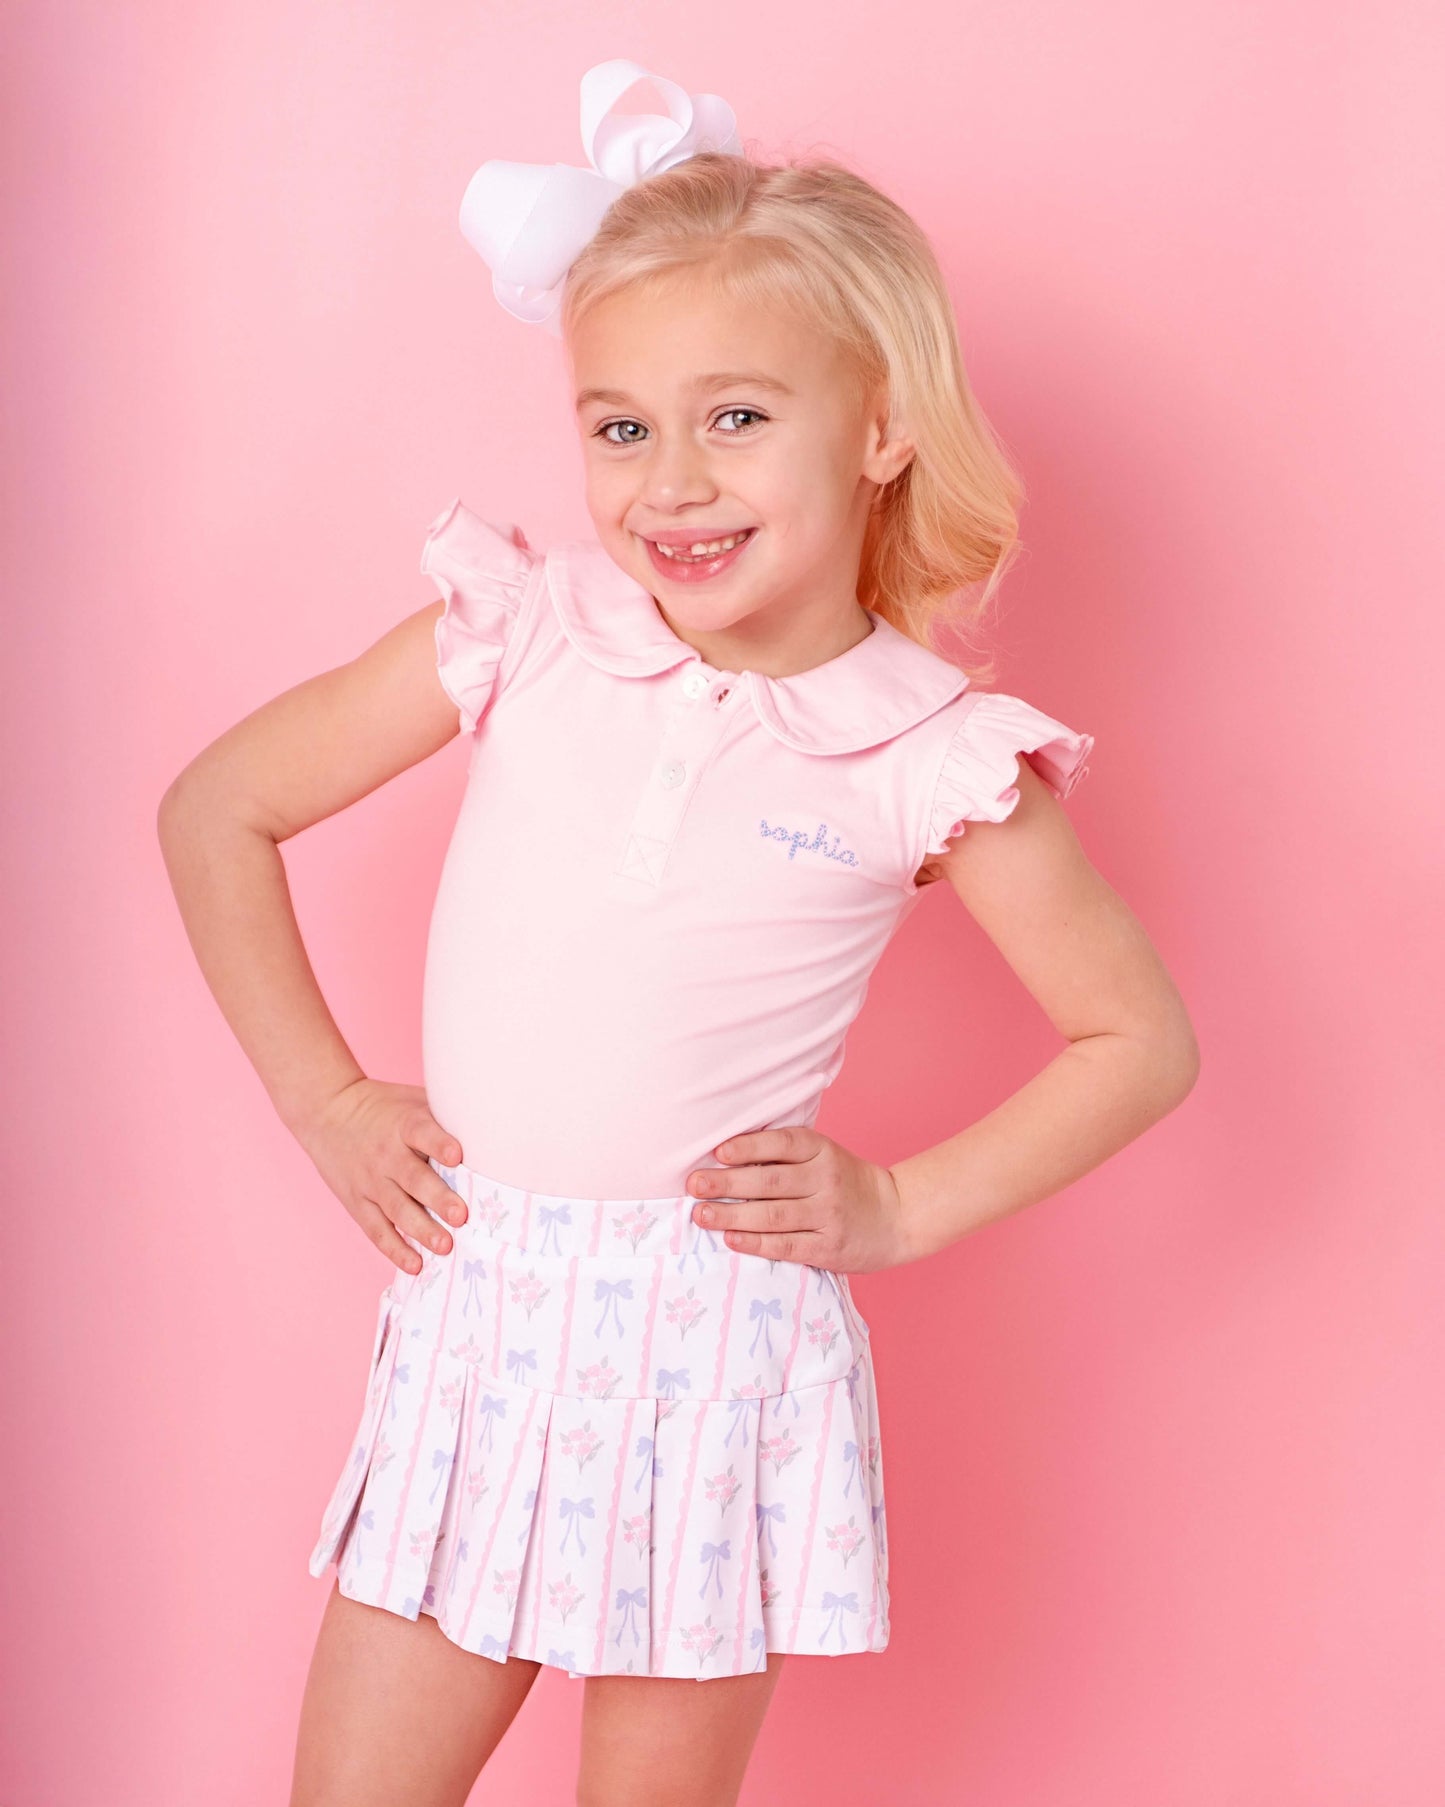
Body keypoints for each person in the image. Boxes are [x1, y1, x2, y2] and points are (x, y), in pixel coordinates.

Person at [157, 57, 1199, 1807]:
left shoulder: (925, 750)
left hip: (713, 1357)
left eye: (735, 418)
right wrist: (326, 1099)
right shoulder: (530, 630)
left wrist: (898, 1204)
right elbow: (218, 808)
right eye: (619, 425)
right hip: (481, 1323)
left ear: (878, 424)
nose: (668, 483)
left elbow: (1136, 1039)